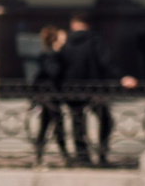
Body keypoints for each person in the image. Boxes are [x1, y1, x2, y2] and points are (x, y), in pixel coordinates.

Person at [56, 16, 108, 167]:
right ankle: (102, 153)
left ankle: (82, 155)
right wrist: (122, 77)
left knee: (77, 121)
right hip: (94, 88)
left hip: (72, 88)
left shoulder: (65, 42)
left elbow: (58, 66)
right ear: (87, 24)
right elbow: (106, 62)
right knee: (105, 119)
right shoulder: (95, 41)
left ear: (73, 25)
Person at [28, 24, 74, 167]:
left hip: (50, 96)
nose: (64, 39)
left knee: (47, 127)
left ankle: (41, 155)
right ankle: (63, 156)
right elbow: (54, 72)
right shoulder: (51, 55)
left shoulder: (50, 54)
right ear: (55, 39)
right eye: (61, 37)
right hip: (50, 97)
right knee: (57, 127)